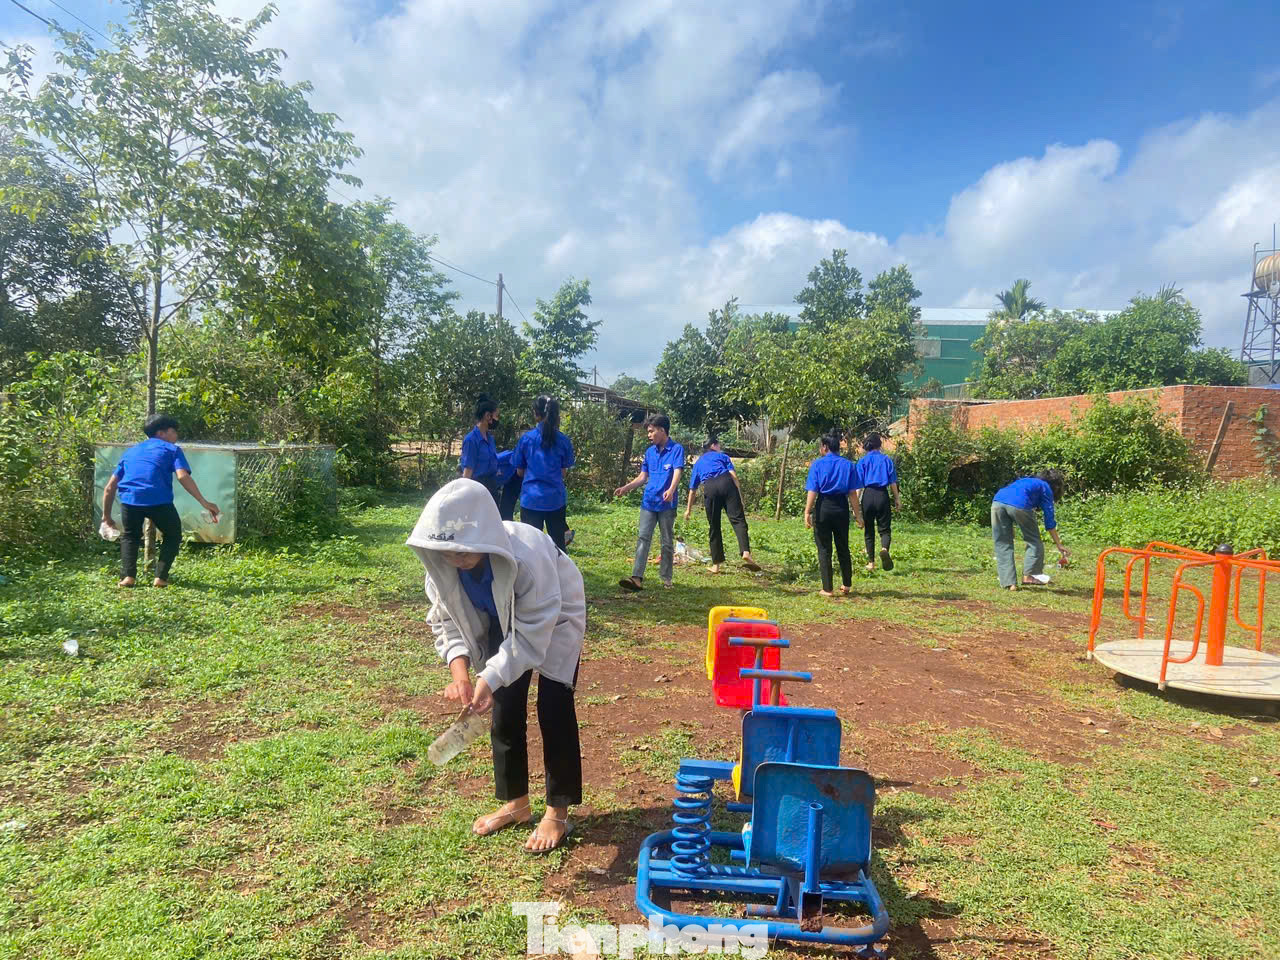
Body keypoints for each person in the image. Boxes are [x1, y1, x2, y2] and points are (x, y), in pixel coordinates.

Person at [407, 477, 585, 854]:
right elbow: (446, 620)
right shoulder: (442, 567)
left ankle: (558, 810)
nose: (456, 559)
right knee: (504, 707)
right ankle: (516, 803)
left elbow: (530, 639)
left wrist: (487, 676)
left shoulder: (528, 558)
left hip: (555, 612)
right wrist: (461, 675)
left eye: (464, 551)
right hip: (499, 619)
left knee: (553, 706)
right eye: (449, 552)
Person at [100, 414, 221, 588]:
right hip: (159, 500)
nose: (176, 436)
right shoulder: (172, 450)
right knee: (172, 535)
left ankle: (128, 578)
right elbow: (182, 476)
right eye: (173, 431)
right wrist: (204, 502)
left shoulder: (131, 451)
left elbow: (110, 487)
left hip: (130, 499)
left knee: (130, 536)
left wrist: (106, 516)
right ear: (161, 433)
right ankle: (160, 578)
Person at [614, 413, 684, 591]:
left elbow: (677, 471)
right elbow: (643, 477)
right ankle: (637, 577)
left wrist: (672, 489)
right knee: (643, 538)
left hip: (667, 504)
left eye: (652, 431)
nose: (649, 435)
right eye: (648, 432)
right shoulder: (649, 452)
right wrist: (626, 487)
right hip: (649, 502)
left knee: (667, 541)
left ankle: (666, 578)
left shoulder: (676, 449)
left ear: (662, 430)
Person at [683, 437, 760, 574]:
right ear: (713, 445)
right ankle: (746, 552)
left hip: (710, 487)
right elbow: (734, 476)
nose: (720, 447)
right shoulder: (722, 456)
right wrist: (739, 496)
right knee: (738, 520)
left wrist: (688, 509)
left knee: (714, 525)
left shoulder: (699, 462)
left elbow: (692, 490)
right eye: (719, 445)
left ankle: (716, 565)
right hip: (727, 483)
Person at [991, 469, 1071, 590]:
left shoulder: (1027, 481)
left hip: (997, 501)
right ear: (1055, 486)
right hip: (1019, 504)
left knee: (1002, 543)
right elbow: (1049, 520)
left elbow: (1010, 498)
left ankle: (1009, 583)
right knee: (1034, 541)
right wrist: (1059, 544)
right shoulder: (1046, 488)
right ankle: (1029, 576)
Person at [803, 430, 860, 597]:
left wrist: (807, 511)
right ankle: (847, 584)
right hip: (841, 508)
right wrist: (858, 515)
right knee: (843, 546)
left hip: (823, 507)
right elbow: (852, 494)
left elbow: (813, 490)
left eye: (821, 446)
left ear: (825, 447)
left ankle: (827, 588)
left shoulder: (818, 465)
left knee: (824, 548)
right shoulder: (848, 465)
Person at [514, 395, 575, 551]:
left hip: (531, 500)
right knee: (559, 546)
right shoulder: (563, 440)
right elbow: (563, 472)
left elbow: (519, 471)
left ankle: (533, 575)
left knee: (530, 546)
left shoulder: (526, 439)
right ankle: (560, 575)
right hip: (555, 500)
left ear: (536, 413)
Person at [852, 432, 901, 573]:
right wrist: (897, 498)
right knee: (884, 529)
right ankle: (884, 549)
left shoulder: (862, 461)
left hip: (868, 495)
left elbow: (858, 486)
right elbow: (892, 482)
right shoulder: (886, 460)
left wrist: (856, 508)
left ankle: (871, 563)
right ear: (879, 445)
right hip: (882, 495)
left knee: (868, 531)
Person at [460, 395, 502, 504]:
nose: (498, 419)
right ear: (488, 416)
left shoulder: (490, 439)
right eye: (497, 416)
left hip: (491, 488)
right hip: (476, 489)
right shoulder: (471, 440)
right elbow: (468, 471)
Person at [496, 449, 521, 522]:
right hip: (507, 477)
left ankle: (506, 522)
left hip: (514, 474)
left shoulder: (497, 459)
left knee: (507, 508)